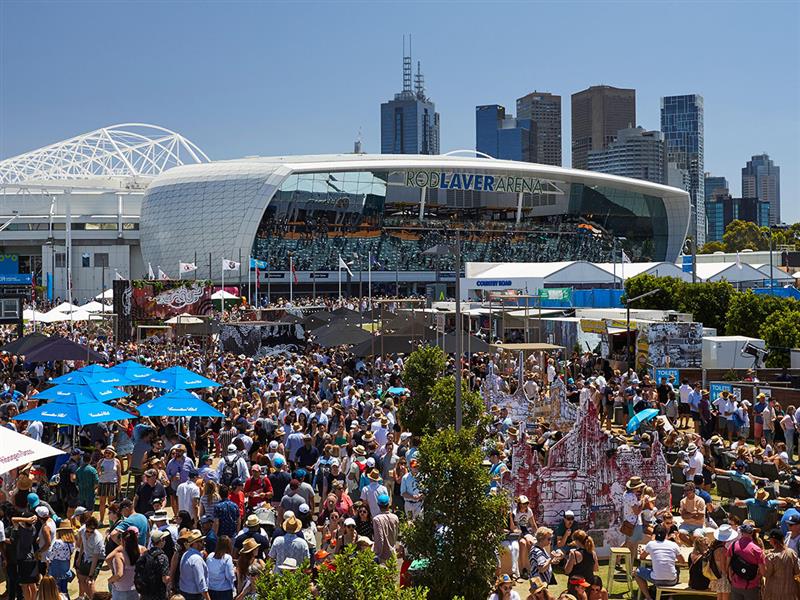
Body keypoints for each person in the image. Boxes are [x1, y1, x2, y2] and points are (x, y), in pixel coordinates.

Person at [634, 525, 684, 600]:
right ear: (666, 534)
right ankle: (670, 596)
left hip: (656, 579)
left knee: (636, 572)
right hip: (672, 580)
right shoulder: (673, 545)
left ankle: (648, 597)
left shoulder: (651, 544)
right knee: (676, 569)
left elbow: (642, 557)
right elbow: (682, 561)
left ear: (654, 534)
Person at [727, 522, 764, 600]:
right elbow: (763, 571)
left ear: (741, 532)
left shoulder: (733, 546)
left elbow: (728, 564)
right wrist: (758, 578)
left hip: (736, 584)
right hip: (751, 585)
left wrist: (731, 577)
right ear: (751, 533)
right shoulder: (756, 549)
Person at [108, 528, 145, 600]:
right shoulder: (142, 551)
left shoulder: (119, 555)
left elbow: (119, 574)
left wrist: (110, 580)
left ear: (123, 541)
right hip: (136, 589)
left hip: (121, 590)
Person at [762, 528, 800, 600]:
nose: (769, 542)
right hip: (790, 592)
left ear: (773, 541)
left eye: (770, 540)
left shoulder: (771, 557)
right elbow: (797, 571)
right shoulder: (792, 553)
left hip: (775, 593)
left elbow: (766, 574)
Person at [134, 529, 171, 600]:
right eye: (164, 539)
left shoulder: (146, 554)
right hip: (158, 593)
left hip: (146, 592)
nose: (165, 541)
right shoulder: (163, 557)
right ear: (161, 541)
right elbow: (164, 579)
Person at [75, 515, 105, 600]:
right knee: (81, 579)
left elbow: (95, 558)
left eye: (91, 532)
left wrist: (90, 575)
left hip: (97, 559)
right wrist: (79, 558)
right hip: (86, 556)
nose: (88, 533)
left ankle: (94, 598)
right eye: (87, 531)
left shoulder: (98, 539)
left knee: (89, 582)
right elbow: (82, 545)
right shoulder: (83, 530)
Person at [563, 530, 598, 597]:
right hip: (588, 583)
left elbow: (567, 571)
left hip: (576, 586)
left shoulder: (574, 554)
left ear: (576, 541)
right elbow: (596, 569)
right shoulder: (593, 553)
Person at [178, 529, 210, 600]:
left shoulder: (186, 554)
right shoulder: (196, 559)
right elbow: (201, 582)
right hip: (194, 596)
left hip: (184, 592)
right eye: (201, 541)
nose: (204, 543)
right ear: (195, 543)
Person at [49, 521, 76, 597]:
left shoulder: (58, 542)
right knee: (64, 589)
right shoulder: (72, 543)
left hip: (56, 567)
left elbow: (51, 555)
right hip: (65, 567)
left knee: (56, 589)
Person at [97, 446, 122, 525]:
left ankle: (111, 521)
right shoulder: (101, 461)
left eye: (109, 453)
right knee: (102, 503)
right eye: (106, 452)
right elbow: (98, 471)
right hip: (102, 483)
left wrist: (119, 485)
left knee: (111, 503)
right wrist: (99, 472)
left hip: (112, 483)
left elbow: (119, 474)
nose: (107, 454)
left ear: (113, 454)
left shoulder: (116, 461)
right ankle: (101, 520)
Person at [206, 535, 236, 600]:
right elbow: (230, 575)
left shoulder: (210, 556)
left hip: (211, 589)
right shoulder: (227, 558)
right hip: (224, 591)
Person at [371, 493, 398, 565]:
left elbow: (380, 538)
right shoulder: (395, 517)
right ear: (388, 504)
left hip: (382, 556)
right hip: (392, 552)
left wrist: (377, 554)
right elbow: (396, 535)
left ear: (378, 504)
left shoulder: (377, 519)